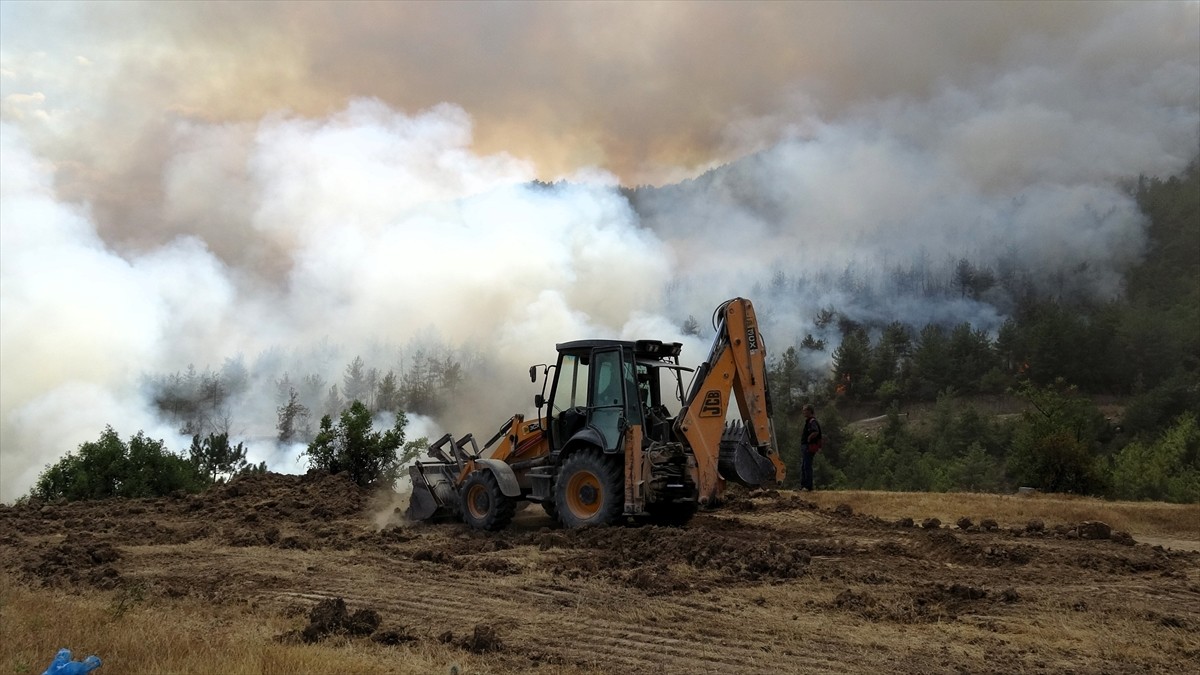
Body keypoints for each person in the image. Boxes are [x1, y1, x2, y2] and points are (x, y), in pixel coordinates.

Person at [800, 404, 822, 491]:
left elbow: (815, 431)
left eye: (805, 410)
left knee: (807, 466)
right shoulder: (809, 421)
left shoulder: (812, 421)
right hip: (806, 446)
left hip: (808, 447)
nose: (803, 412)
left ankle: (808, 486)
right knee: (804, 466)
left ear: (809, 411)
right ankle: (803, 486)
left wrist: (809, 438)